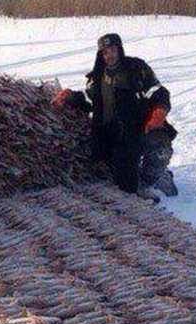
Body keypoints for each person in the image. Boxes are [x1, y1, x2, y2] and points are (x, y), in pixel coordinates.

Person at [52, 33, 178, 201]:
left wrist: (159, 111)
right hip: (118, 133)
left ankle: (150, 181)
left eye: (112, 50)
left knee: (159, 149)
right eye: (105, 52)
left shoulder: (136, 69)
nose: (109, 55)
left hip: (144, 124)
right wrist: (69, 96)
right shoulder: (96, 77)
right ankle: (136, 173)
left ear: (119, 50)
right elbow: (90, 100)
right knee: (124, 185)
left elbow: (158, 92)